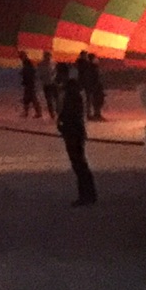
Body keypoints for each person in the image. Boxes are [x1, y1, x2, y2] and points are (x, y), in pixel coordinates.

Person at [56, 61, 96, 206]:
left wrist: (65, 124)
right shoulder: (70, 89)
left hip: (73, 131)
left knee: (79, 163)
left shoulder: (71, 90)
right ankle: (88, 194)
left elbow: (72, 112)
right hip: (73, 130)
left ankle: (86, 195)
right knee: (79, 163)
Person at [19, 53, 42, 118]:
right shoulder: (28, 63)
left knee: (30, 98)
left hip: (29, 84)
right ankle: (33, 112)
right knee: (29, 98)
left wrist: (23, 74)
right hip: (30, 84)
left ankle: (35, 113)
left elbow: (29, 73)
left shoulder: (27, 64)